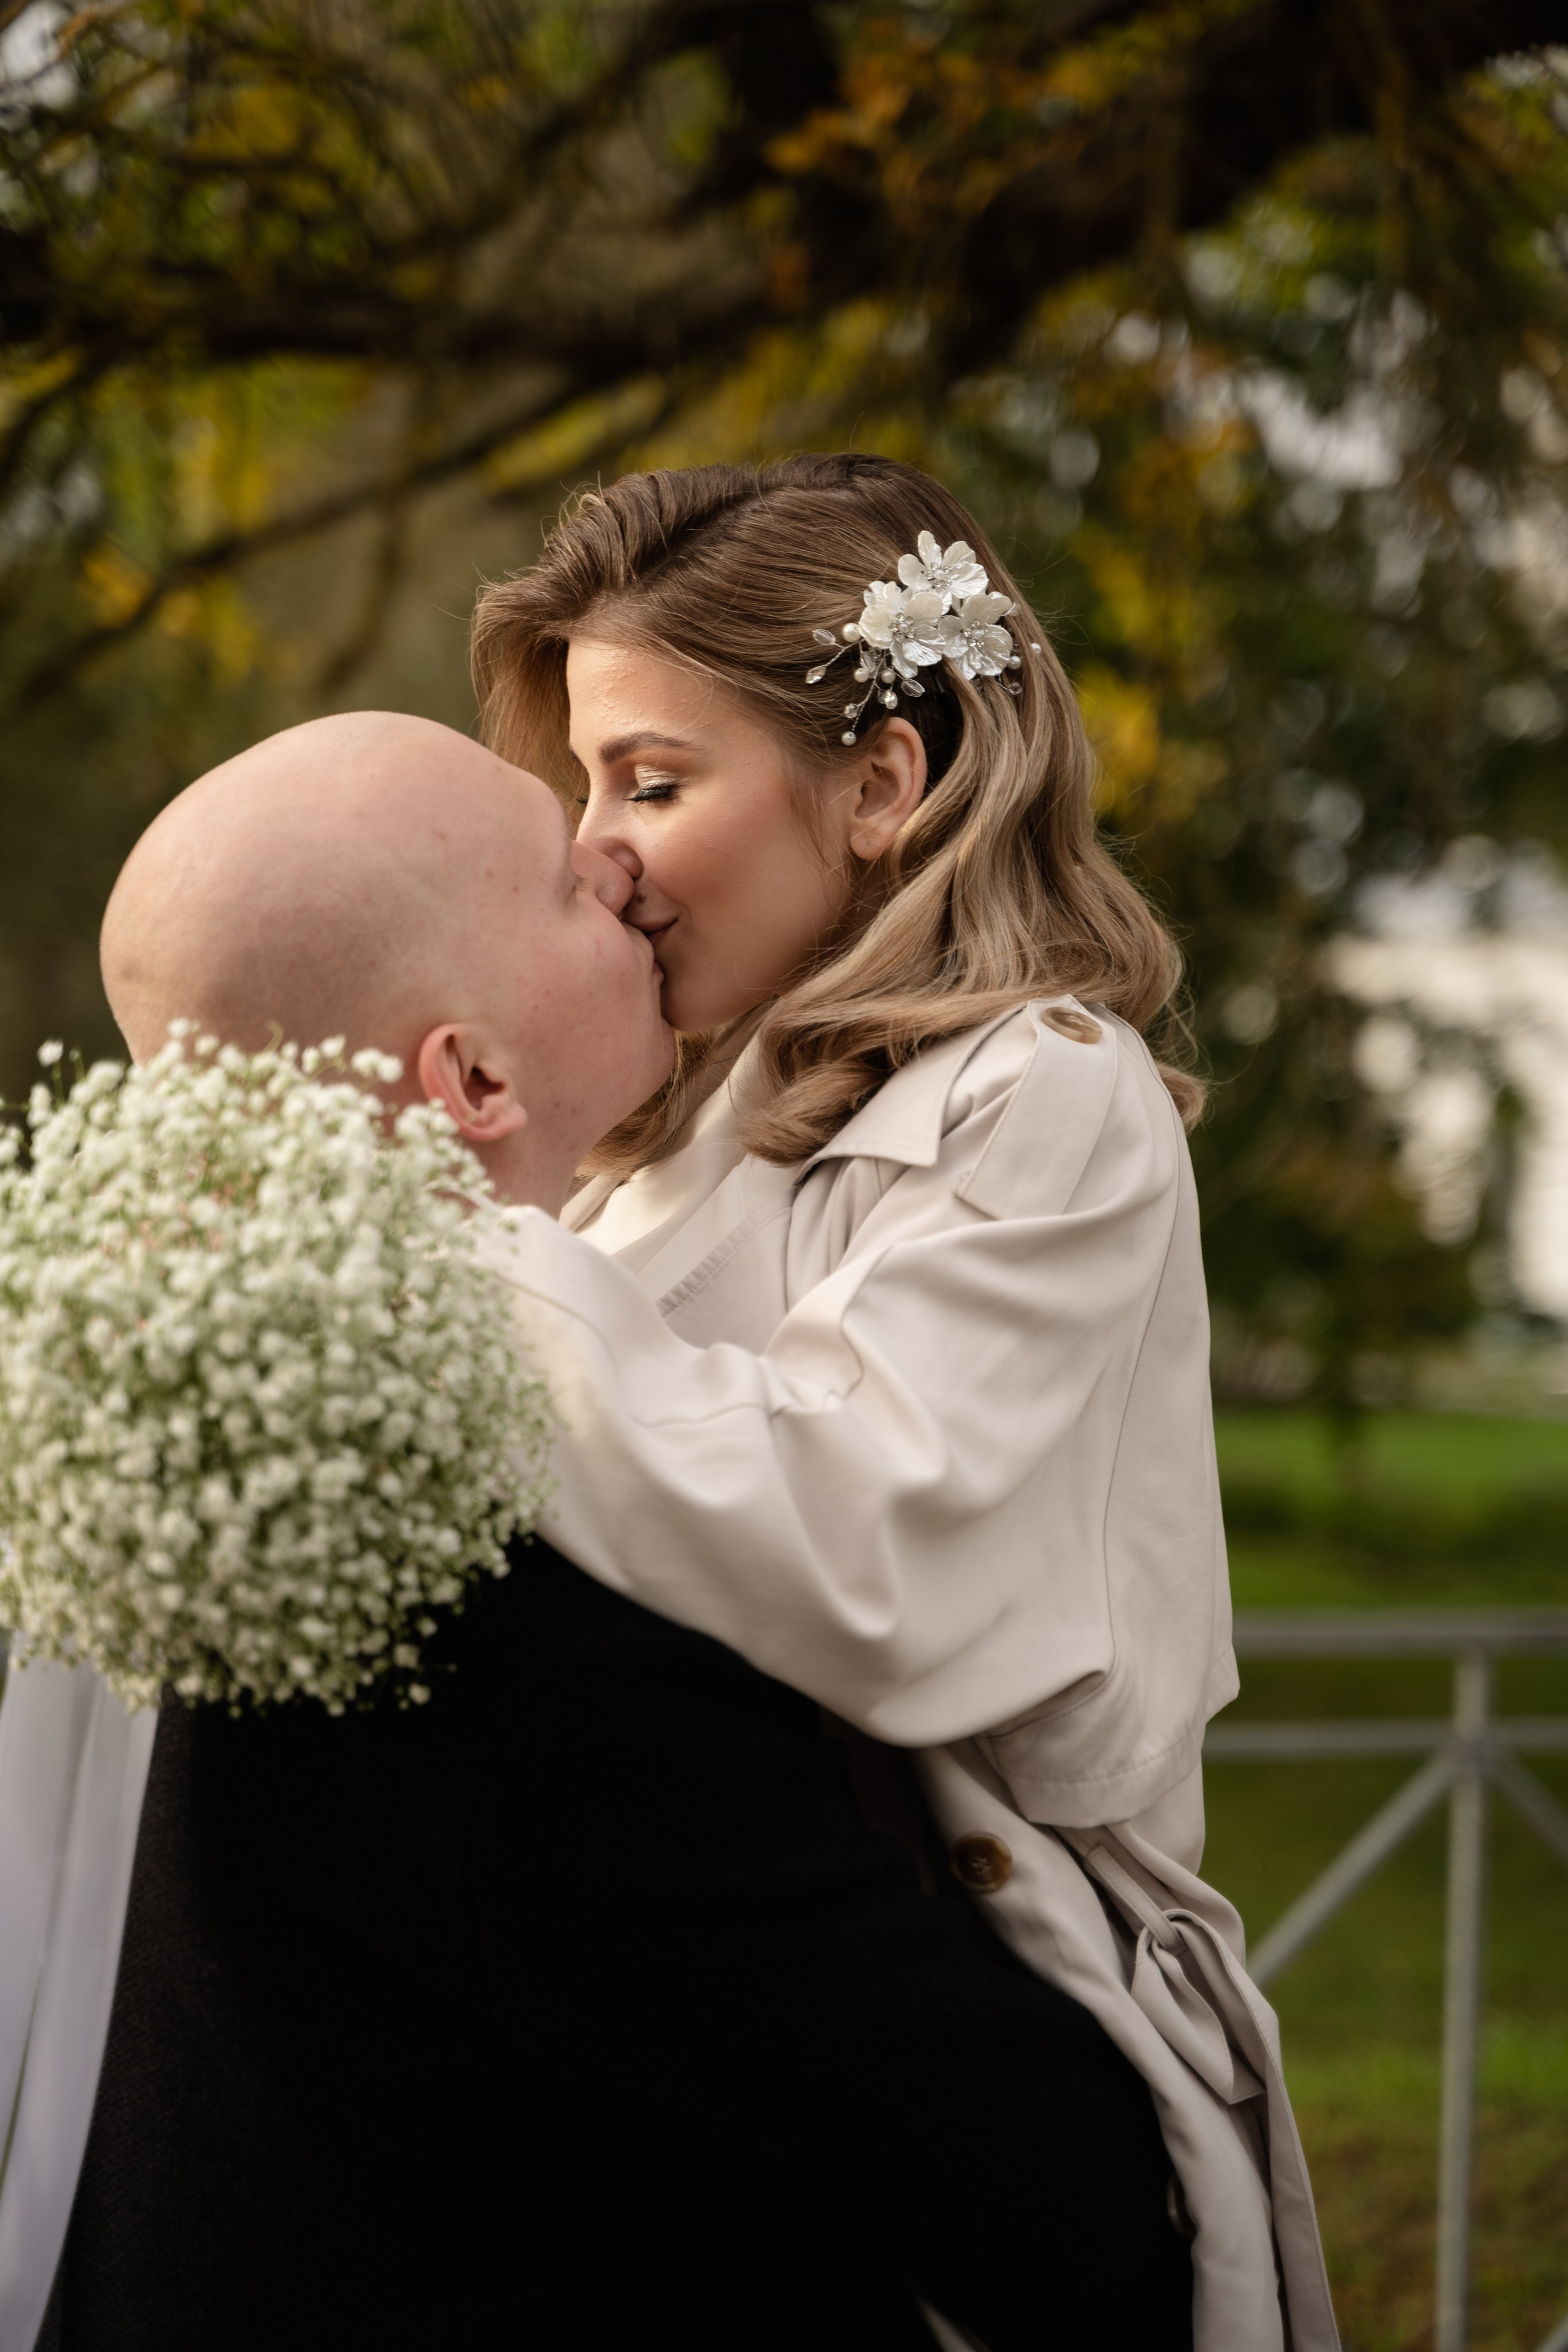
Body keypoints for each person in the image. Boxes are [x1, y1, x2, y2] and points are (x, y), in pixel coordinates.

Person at [20, 711, 1191, 2352]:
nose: (626, 872)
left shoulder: (203, 1499)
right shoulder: (522, 1603)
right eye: (567, 875)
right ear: (475, 1079)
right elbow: (1057, 2209)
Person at [464, 452, 1341, 2352]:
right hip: (703, 2021)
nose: (596, 846)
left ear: (882, 781)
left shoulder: (1049, 1091)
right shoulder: (649, 1146)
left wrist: (436, 1252)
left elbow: (858, 1546)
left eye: (655, 778)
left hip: (973, 2034)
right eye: (586, 783)